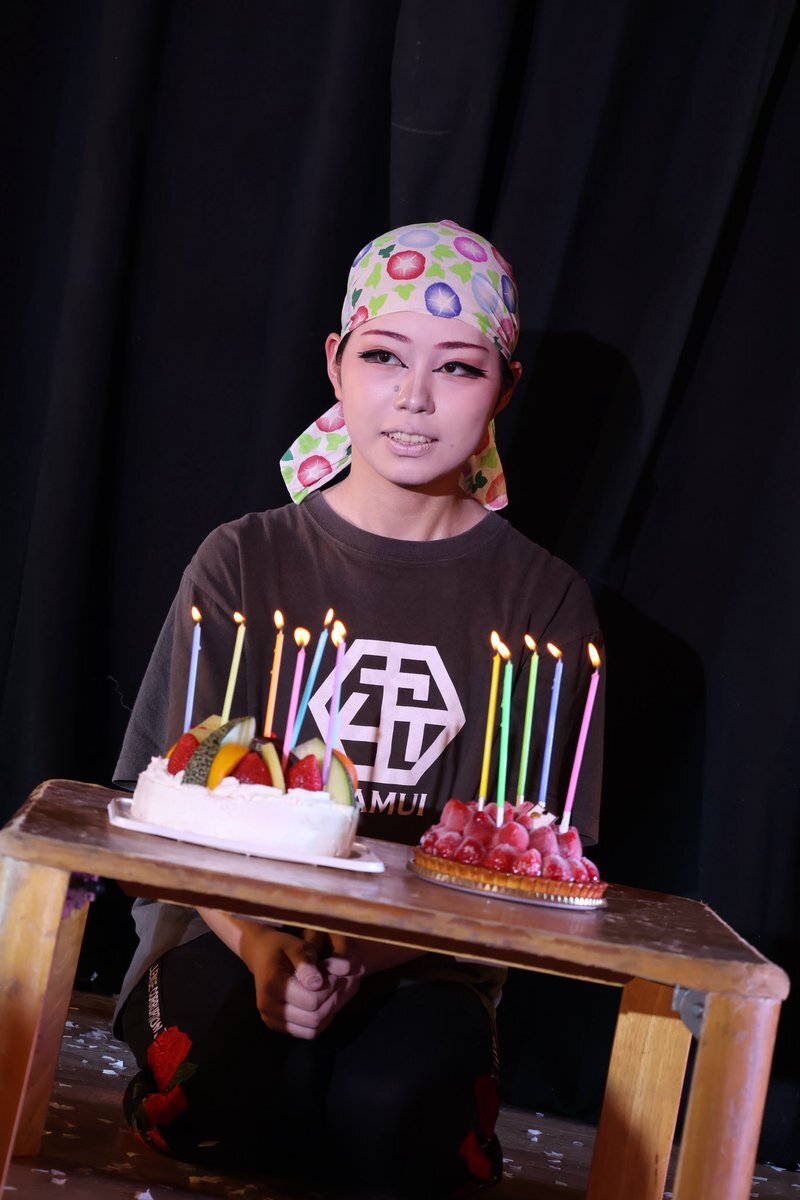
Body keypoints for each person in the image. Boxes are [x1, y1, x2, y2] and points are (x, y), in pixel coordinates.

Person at [113, 219, 604, 1197]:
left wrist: (353, 956)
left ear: (504, 387)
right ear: (336, 363)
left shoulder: (543, 601)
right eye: (383, 356)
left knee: (392, 1120)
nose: (414, 396)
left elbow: (528, 865)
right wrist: (265, 948)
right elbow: (161, 807)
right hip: (224, 930)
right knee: (226, 1090)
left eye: (457, 367)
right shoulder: (243, 559)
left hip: (423, 959)